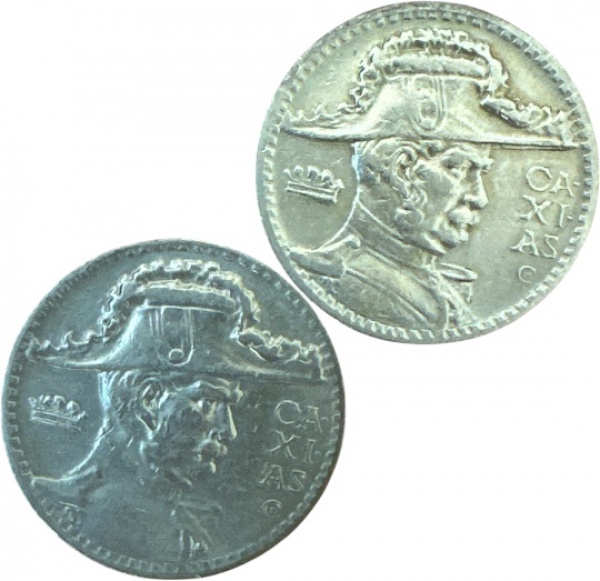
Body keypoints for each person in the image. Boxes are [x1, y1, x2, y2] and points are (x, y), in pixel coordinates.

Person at [27, 258, 323, 561]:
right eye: (210, 402)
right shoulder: (70, 511)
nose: (228, 430)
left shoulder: (189, 529)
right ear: (149, 401)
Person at [284, 28, 576, 333]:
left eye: (479, 173)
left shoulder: (428, 286)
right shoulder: (345, 280)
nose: (479, 196)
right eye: (460, 169)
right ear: (402, 169)